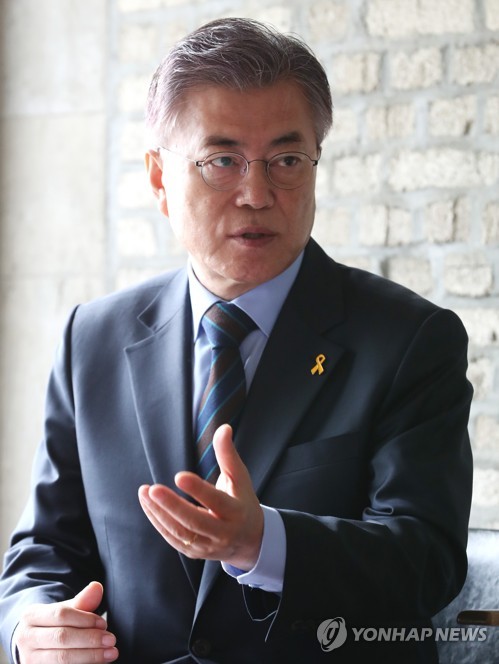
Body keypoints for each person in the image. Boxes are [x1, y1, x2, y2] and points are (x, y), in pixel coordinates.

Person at [0, 17, 473, 664]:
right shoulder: (93, 339)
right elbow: (45, 550)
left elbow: (427, 561)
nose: (256, 194)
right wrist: (28, 629)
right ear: (159, 179)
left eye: (286, 161)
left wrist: (262, 543)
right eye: (222, 161)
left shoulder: (408, 340)